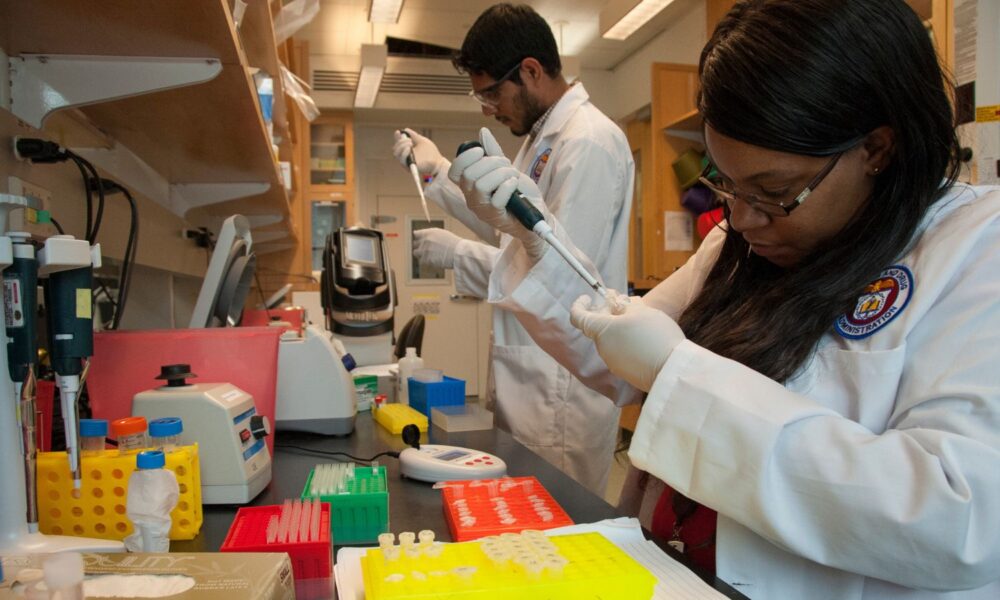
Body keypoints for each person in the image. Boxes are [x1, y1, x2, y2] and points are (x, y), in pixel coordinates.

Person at [449, 0, 1000, 597]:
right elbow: (613, 349)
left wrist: (681, 374)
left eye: (773, 191)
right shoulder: (743, 238)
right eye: (726, 183)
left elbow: (959, 519)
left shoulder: (972, 249)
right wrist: (534, 236)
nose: (739, 216)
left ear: (876, 148)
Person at [391, 3, 633, 495]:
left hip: (561, 388)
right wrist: (436, 173)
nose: (489, 109)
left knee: (558, 532)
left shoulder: (588, 142)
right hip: (532, 373)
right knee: (522, 521)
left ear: (530, 70)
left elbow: (560, 274)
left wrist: (456, 254)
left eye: (492, 94)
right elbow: (512, 236)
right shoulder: (540, 140)